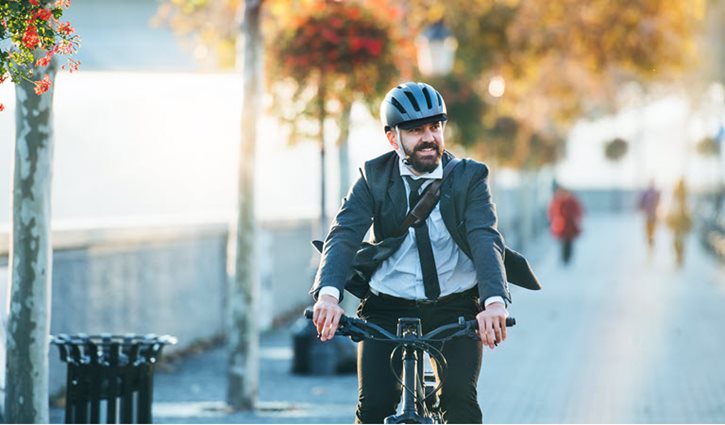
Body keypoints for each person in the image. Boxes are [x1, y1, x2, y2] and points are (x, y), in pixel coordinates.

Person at [309, 82, 533, 424]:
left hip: (454, 305)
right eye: (416, 130)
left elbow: (485, 238)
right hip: (387, 305)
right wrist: (328, 297)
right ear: (393, 138)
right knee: (373, 408)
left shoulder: (469, 177)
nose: (429, 138)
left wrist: (493, 304)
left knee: (459, 402)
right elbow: (344, 234)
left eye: (435, 127)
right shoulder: (373, 177)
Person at [547, 187, 583, 265]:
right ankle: (563, 258)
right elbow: (551, 212)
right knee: (562, 243)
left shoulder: (572, 201)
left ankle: (568, 258)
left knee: (569, 243)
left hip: (570, 226)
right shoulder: (557, 201)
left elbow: (578, 212)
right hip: (560, 226)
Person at [665, 178, 692, 268]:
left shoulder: (683, 194)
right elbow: (672, 205)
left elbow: (673, 206)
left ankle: (679, 257)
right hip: (679, 220)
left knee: (678, 240)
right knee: (679, 240)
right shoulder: (678, 193)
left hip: (679, 220)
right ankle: (679, 257)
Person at [638, 181, 661, 250]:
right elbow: (658, 201)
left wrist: (642, 208)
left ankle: (650, 240)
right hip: (652, 214)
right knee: (651, 228)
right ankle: (650, 240)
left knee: (649, 228)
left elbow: (641, 202)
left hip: (649, 214)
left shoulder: (647, 193)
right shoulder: (654, 193)